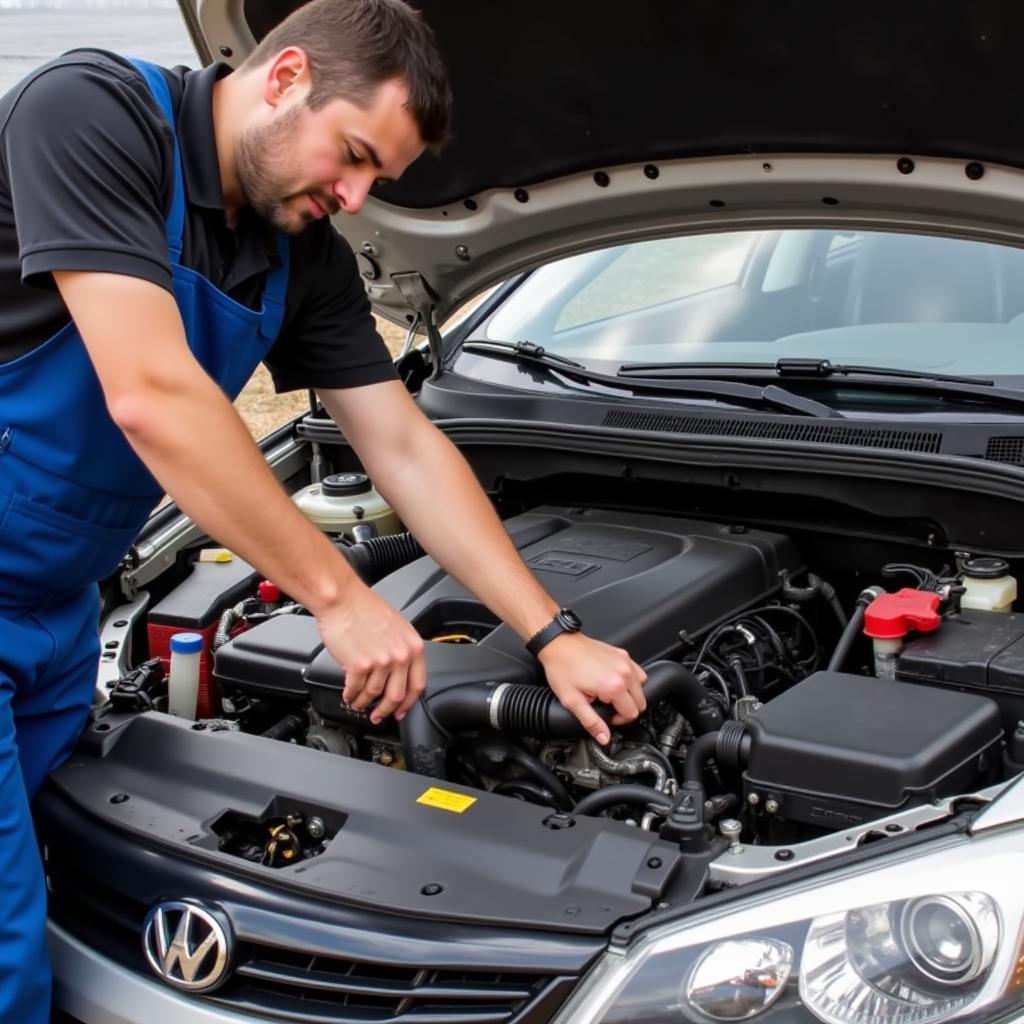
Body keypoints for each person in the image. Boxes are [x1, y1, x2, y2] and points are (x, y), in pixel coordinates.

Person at [0, 0, 647, 1017]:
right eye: (350, 156)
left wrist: (551, 633)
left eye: (372, 182)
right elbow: (152, 396)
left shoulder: (300, 253)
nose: (349, 196)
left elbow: (404, 446)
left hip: (56, 608)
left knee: (39, 883)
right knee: (9, 949)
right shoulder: (91, 115)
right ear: (285, 73)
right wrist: (337, 598)